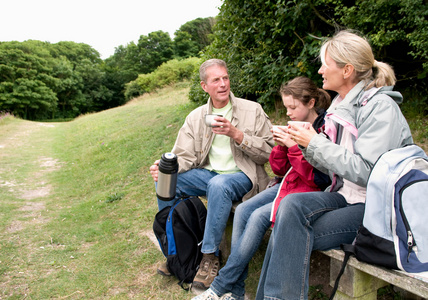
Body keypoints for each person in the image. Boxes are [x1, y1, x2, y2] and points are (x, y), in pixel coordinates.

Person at [255, 30, 413, 300]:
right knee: (290, 207)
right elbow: (331, 170)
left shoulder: (380, 108)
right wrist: (303, 145)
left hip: (374, 207)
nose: (319, 71)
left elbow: (368, 172)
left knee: (288, 233)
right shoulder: (340, 106)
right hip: (343, 195)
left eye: (325, 64)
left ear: (347, 70)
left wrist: (314, 143)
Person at [191, 77, 332, 300]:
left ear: (311, 103)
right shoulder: (294, 126)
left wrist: (294, 147)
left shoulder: (324, 129)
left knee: (257, 217)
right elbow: (279, 170)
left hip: (308, 193)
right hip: (286, 184)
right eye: (286, 107)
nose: (288, 113)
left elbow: (319, 179)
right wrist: (280, 147)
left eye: (293, 107)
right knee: (245, 210)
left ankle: (221, 286)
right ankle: (236, 292)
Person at [149, 58, 274, 290]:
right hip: (209, 174)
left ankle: (209, 257)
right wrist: (166, 167)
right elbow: (184, 156)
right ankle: (180, 250)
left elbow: (269, 153)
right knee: (168, 181)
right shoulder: (196, 117)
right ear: (204, 86)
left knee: (219, 185)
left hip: (243, 175)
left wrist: (237, 135)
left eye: (225, 78)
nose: (223, 84)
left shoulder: (252, 110)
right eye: (216, 80)